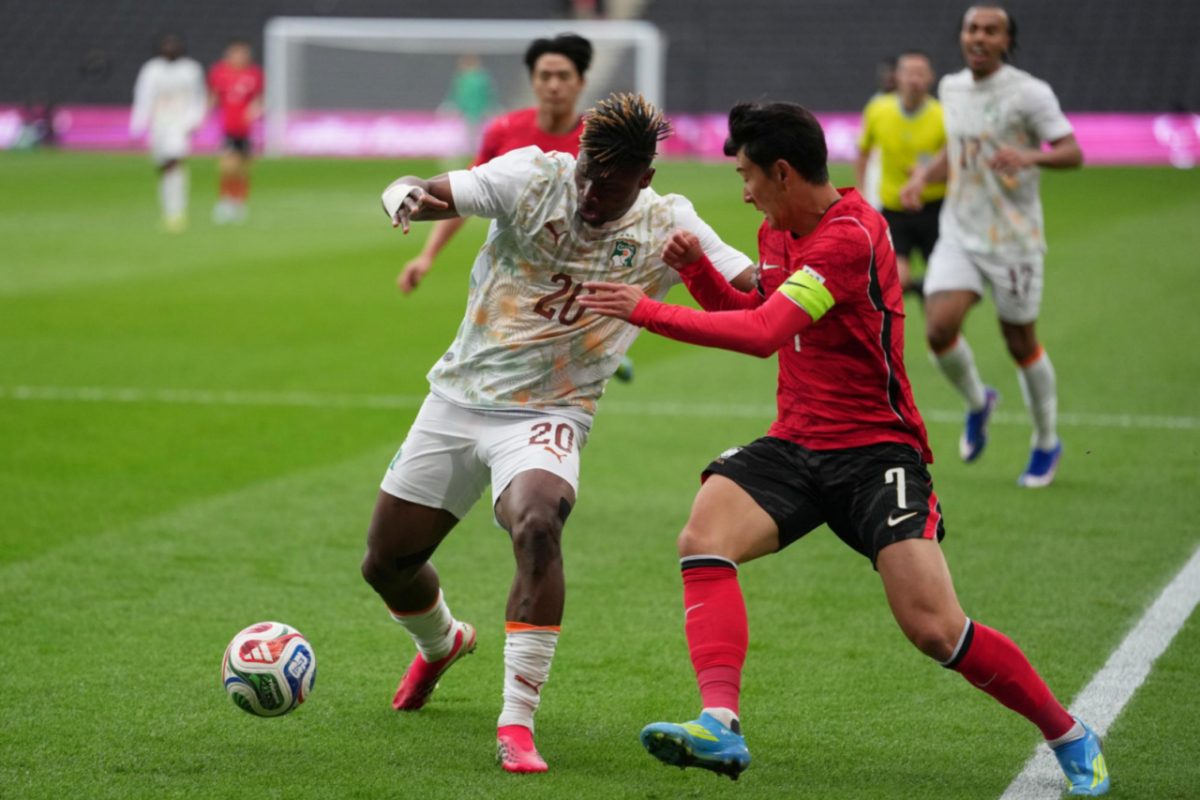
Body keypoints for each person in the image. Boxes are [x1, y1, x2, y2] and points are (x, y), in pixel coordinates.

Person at [578, 101, 1108, 795]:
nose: (744, 193)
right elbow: (761, 312)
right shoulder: (777, 230)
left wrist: (643, 309)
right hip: (797, 442)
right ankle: (719, 723)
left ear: (782, 171)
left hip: (876, 455)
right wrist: (702, 274)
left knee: (935, 629)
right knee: (703, 537)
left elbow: (764, 334)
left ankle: (1069, 733)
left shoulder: (850, 235)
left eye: (747, 176)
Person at [363, 93, 756, 774]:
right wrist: (403, 195)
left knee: (539, 522)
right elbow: (428, 189)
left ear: (645, 178)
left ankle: (516, 722)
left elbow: (754, 292)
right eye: (586, 175)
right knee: (386, 564)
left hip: (551, 412)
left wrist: (801, 268)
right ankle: (442, 644)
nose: (590, 195)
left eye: (611, 185)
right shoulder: (533, 176)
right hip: (457, 399)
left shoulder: (668, 222)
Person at [900, 6, 1083, 487]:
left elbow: (1072, 151)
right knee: (938, 329)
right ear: (962, 36)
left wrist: (1029, 155)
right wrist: (923, 177)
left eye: (990, 31)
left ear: (1006, 41)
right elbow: (959, 150)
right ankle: (979, 403)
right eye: (972, 29)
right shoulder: (952, 87)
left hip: (1014, 241)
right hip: (959, 232)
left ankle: (1046, 441)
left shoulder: (1029, 93)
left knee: (1020, 342)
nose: (979, 37)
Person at [856, 50, 945, 294]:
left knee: (944, 282)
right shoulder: (878, 110)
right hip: (894, 209)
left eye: (920, 74)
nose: (914, 80)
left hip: (934, 208)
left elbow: (955, 164)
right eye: (908, 73)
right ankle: (920, 288)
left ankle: (932, 295)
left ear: (931, 77)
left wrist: (927, 175)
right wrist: (862, 189)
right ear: (897, 76)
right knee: (897, 280)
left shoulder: (942, 115)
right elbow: (863, 152)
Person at [130, 32, 206, 232]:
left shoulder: (190, 69)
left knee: (174, 163)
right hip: (159, 125)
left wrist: (193, 122)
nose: (169, 49)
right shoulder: (152, 69)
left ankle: (176, 212)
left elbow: (197, 97)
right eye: (166, 45)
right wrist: (138, 125)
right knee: (164, 167)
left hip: (178, 125)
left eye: (173, 45)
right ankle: (168, 209)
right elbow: (143, 96)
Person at [208, 38, 264, 224]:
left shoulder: (254, 74)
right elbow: (213, 96)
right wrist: (206, 114)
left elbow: (259, 98)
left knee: (243, 168)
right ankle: (225, 202)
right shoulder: (219, 72)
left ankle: (240, 203)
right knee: (227, 166)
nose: (240, 57)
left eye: (243, 54)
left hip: (247, 129)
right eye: (236, 53)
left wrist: (256, 110)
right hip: (228, 128)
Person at [859, 55, 897, 211]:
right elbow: (863, 149)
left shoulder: (906, 103)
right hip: (877, 168)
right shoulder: (875, 104)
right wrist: (862, 186)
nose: (888, 77)